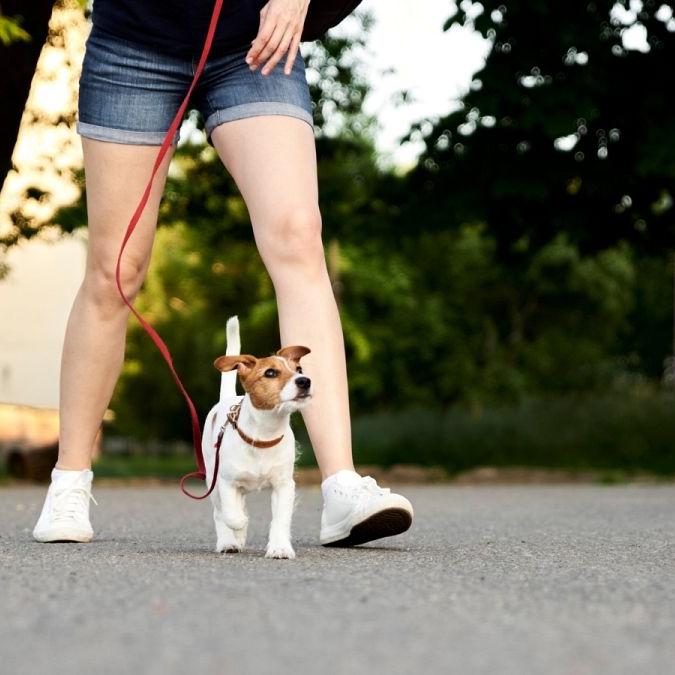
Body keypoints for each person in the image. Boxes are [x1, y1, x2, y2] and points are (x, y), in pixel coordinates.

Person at [32, 0, 414, 547]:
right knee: (117, 267)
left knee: (298, 236)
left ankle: (342, 488)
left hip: (254, 43)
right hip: (133, 45)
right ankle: (69, 483)